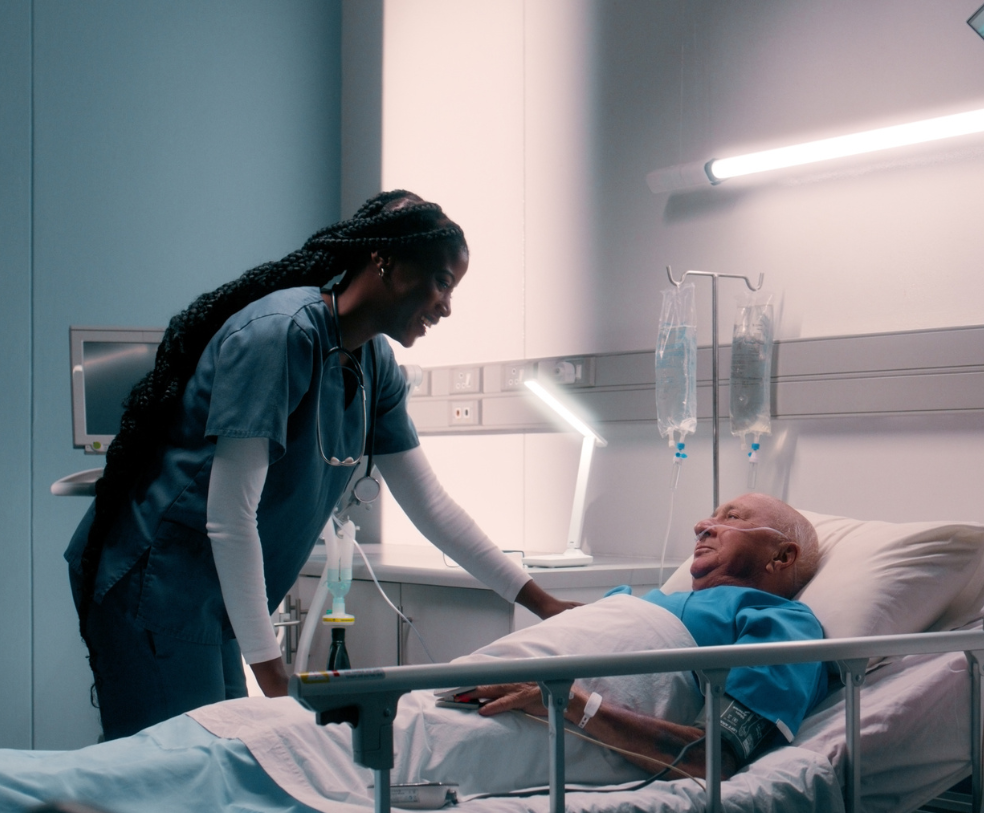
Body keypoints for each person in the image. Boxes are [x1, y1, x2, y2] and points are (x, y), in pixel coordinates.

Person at [67, 190, 577, 740]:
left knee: (217, 763)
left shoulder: (375, 363)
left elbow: (431, 507)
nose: (447, 306)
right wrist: (273, 675)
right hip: (156, 584)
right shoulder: (279, 335)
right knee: (177, 772)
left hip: (212, 598)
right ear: (386, 262)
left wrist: (543, 602)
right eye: (442, 282)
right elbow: (229, 515)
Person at [472, 492, 826, 778]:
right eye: (712, 516)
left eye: (731, 518)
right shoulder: (650, 601)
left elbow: (711, 757)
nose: (702, 525)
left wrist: (573, 702)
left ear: (781, 556)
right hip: (481, 680)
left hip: (535, 721)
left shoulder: (785, 623)